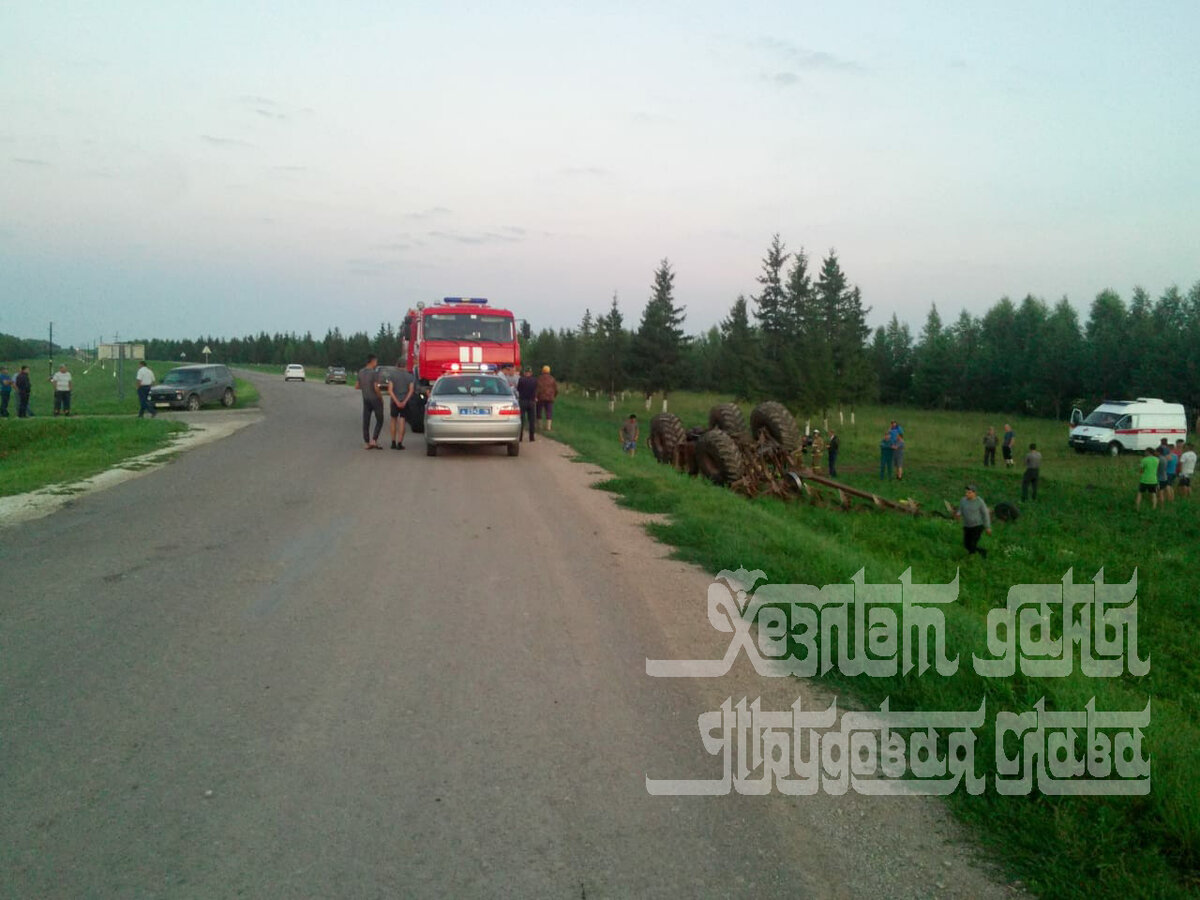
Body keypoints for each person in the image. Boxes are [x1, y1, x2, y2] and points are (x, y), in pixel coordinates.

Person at [354, 354, 384, 449]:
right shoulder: (374, 373)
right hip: (375, 399)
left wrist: (365, 386)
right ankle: (374, 440)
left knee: (366, 420)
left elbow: (357, 386)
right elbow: (376, 387)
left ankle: (366, 442)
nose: (376, 363)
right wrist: (381, 397)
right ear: (373, 361)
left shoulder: (361, 372)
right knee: (380, 419)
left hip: (366, 398)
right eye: (376, 361)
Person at [385, 359, 415, 449]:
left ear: (397, 365)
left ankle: (393, 442)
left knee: (393, 420)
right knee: (402, 420)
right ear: (405, 366)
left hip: (394, 401)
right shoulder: (410, 376)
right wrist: (404, 401)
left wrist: (396, 401)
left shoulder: (392, 376)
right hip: (404, 402)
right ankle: (400, 443)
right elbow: (411, 390)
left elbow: (390, 390)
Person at [955, 485, 992, 558]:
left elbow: (985, 514)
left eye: (969, 493)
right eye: (966, 492)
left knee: (972, 544)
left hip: (977, 526)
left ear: (974, 493)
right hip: (967, 526)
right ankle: (976, 553)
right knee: (966, 545)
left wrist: (987, 527)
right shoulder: (963, 500)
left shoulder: (979, 502)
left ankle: (976, 556)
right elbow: (960, 509)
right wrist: (958, 514)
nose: (967, 494)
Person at [516, 366, 538, 442]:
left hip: (522, 401)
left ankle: (520, 437)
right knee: (531, 420)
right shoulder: (535, 380)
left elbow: (518, 389)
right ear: (531, 373)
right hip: (532, 402)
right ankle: (531, 437)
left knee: (522, 419)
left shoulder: (521, 379)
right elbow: (536, 389)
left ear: (525, 373)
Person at [535, 365, 558, 431]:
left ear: (542, 371)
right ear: (549, 371)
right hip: (550, 398)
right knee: (549, 412)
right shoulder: (552, 379)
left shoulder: (539, 378)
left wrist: (536, 396)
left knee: (539, 412)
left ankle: (539, 426)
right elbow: (556, 389)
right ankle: (548, 427)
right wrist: (554, 396)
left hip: (540, 398)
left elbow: (537, 389)